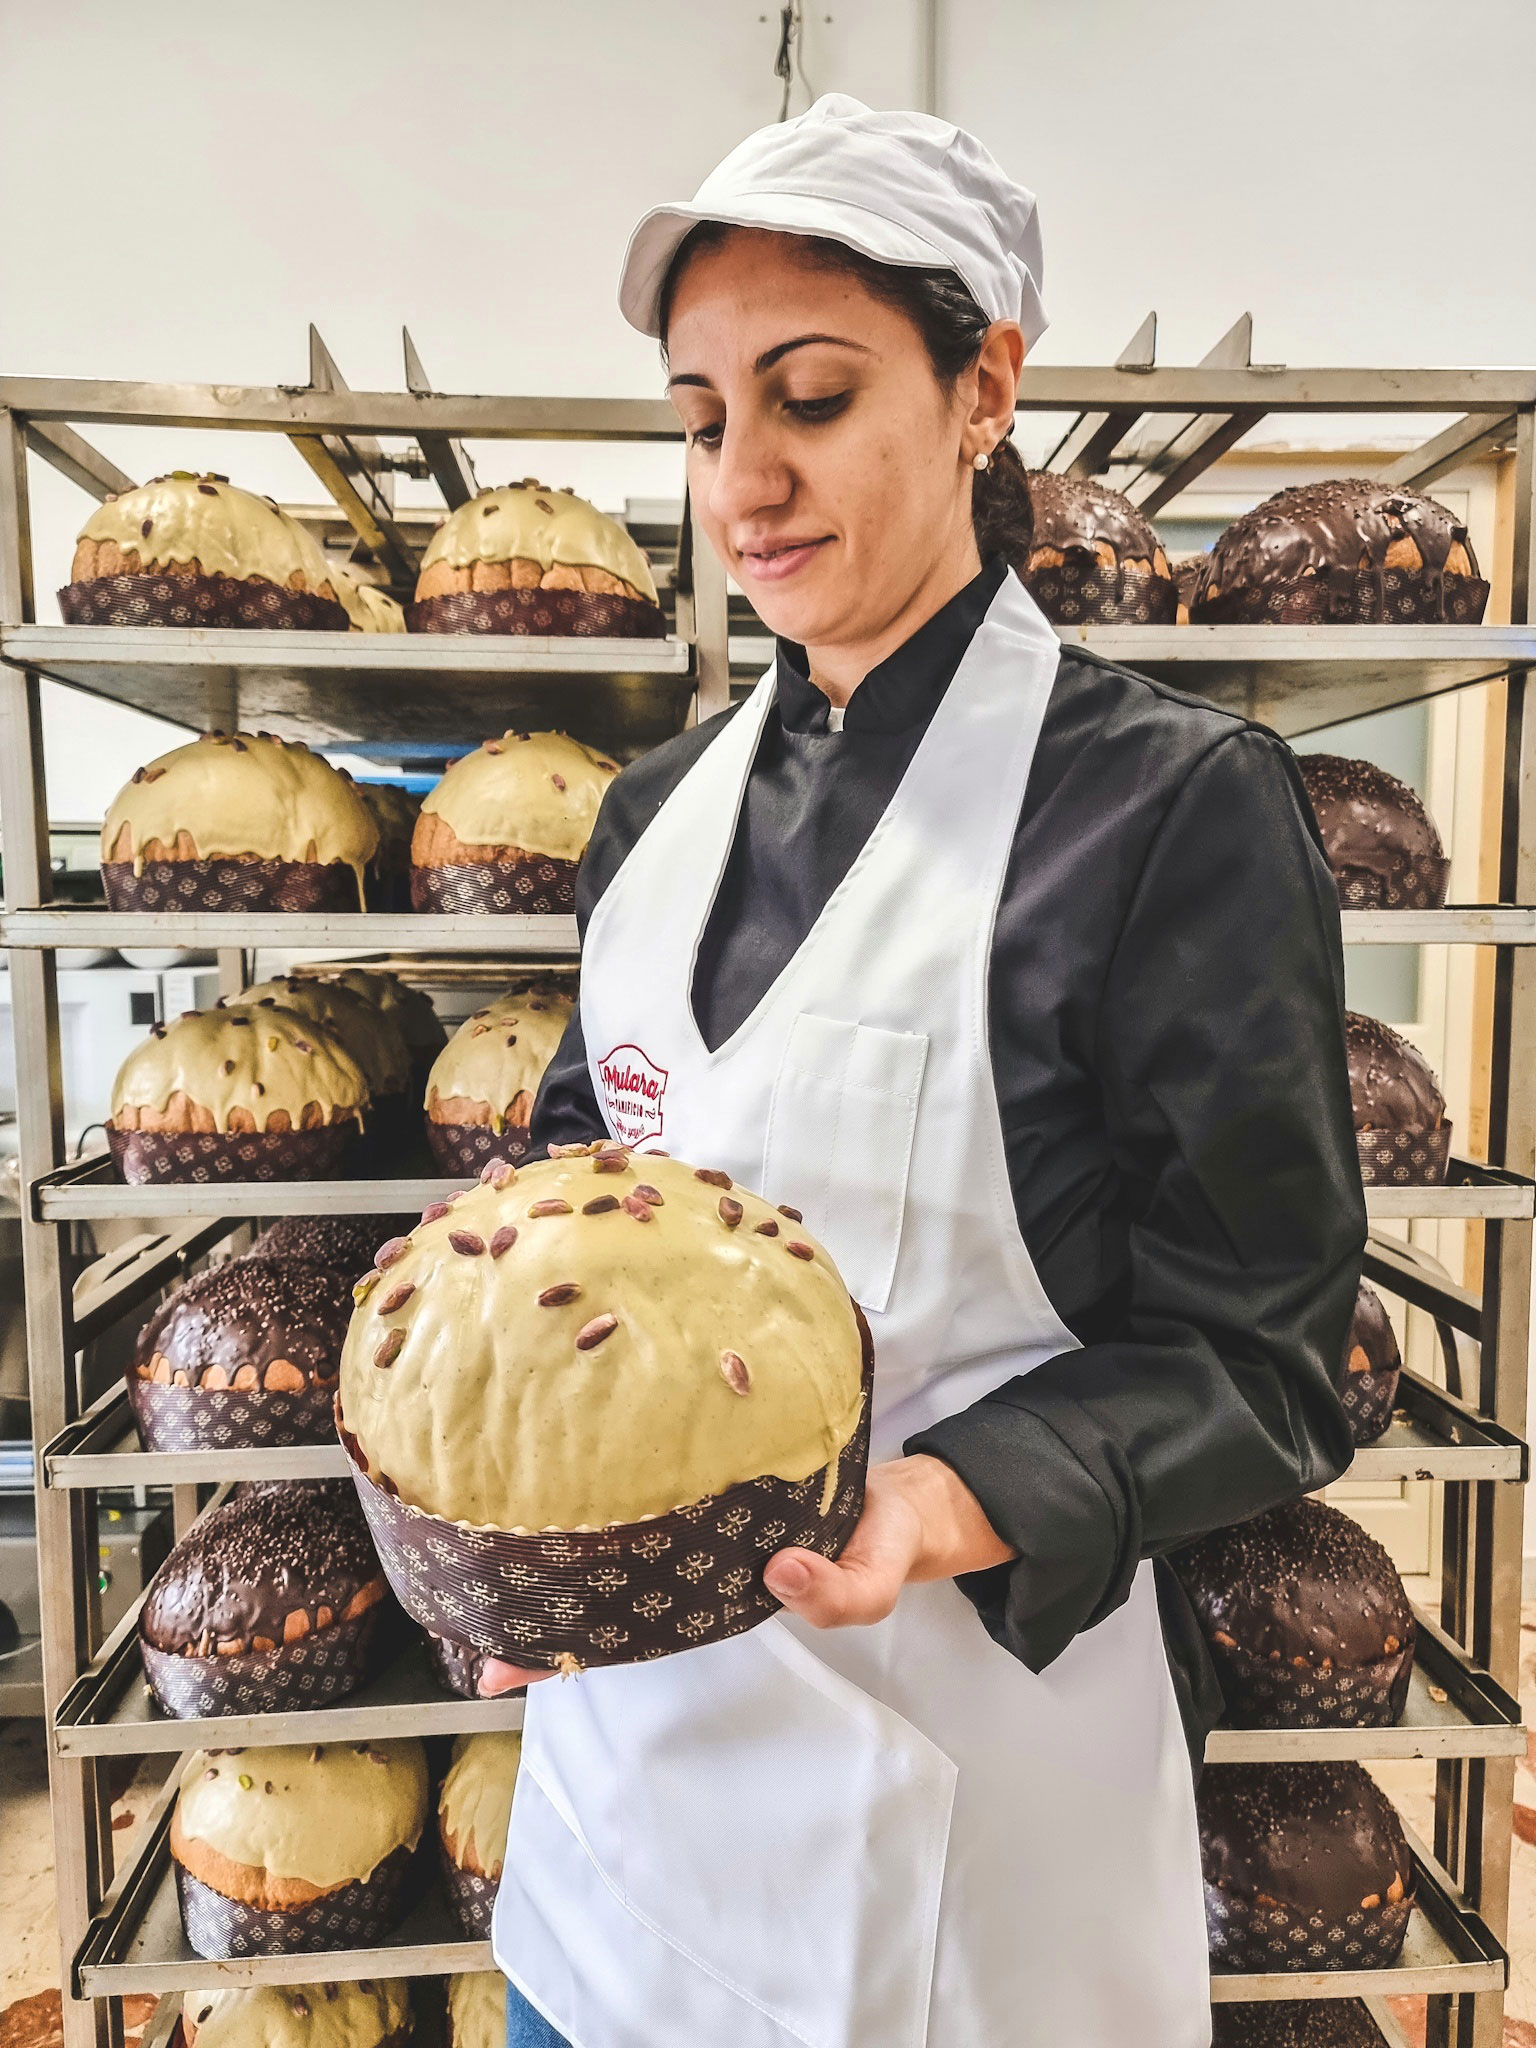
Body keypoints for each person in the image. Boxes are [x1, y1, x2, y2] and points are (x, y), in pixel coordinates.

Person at [484, 95, 1365, 2048]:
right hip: (619, 1833)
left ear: (987, 385)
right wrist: (504, 1527)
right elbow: (577, 1178)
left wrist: (950, 1498)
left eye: (811, 395)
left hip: (967, 1827)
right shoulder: (651, 818)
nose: (745, 481)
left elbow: (1270, 1350)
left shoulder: (1168, 815)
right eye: (706, 418)